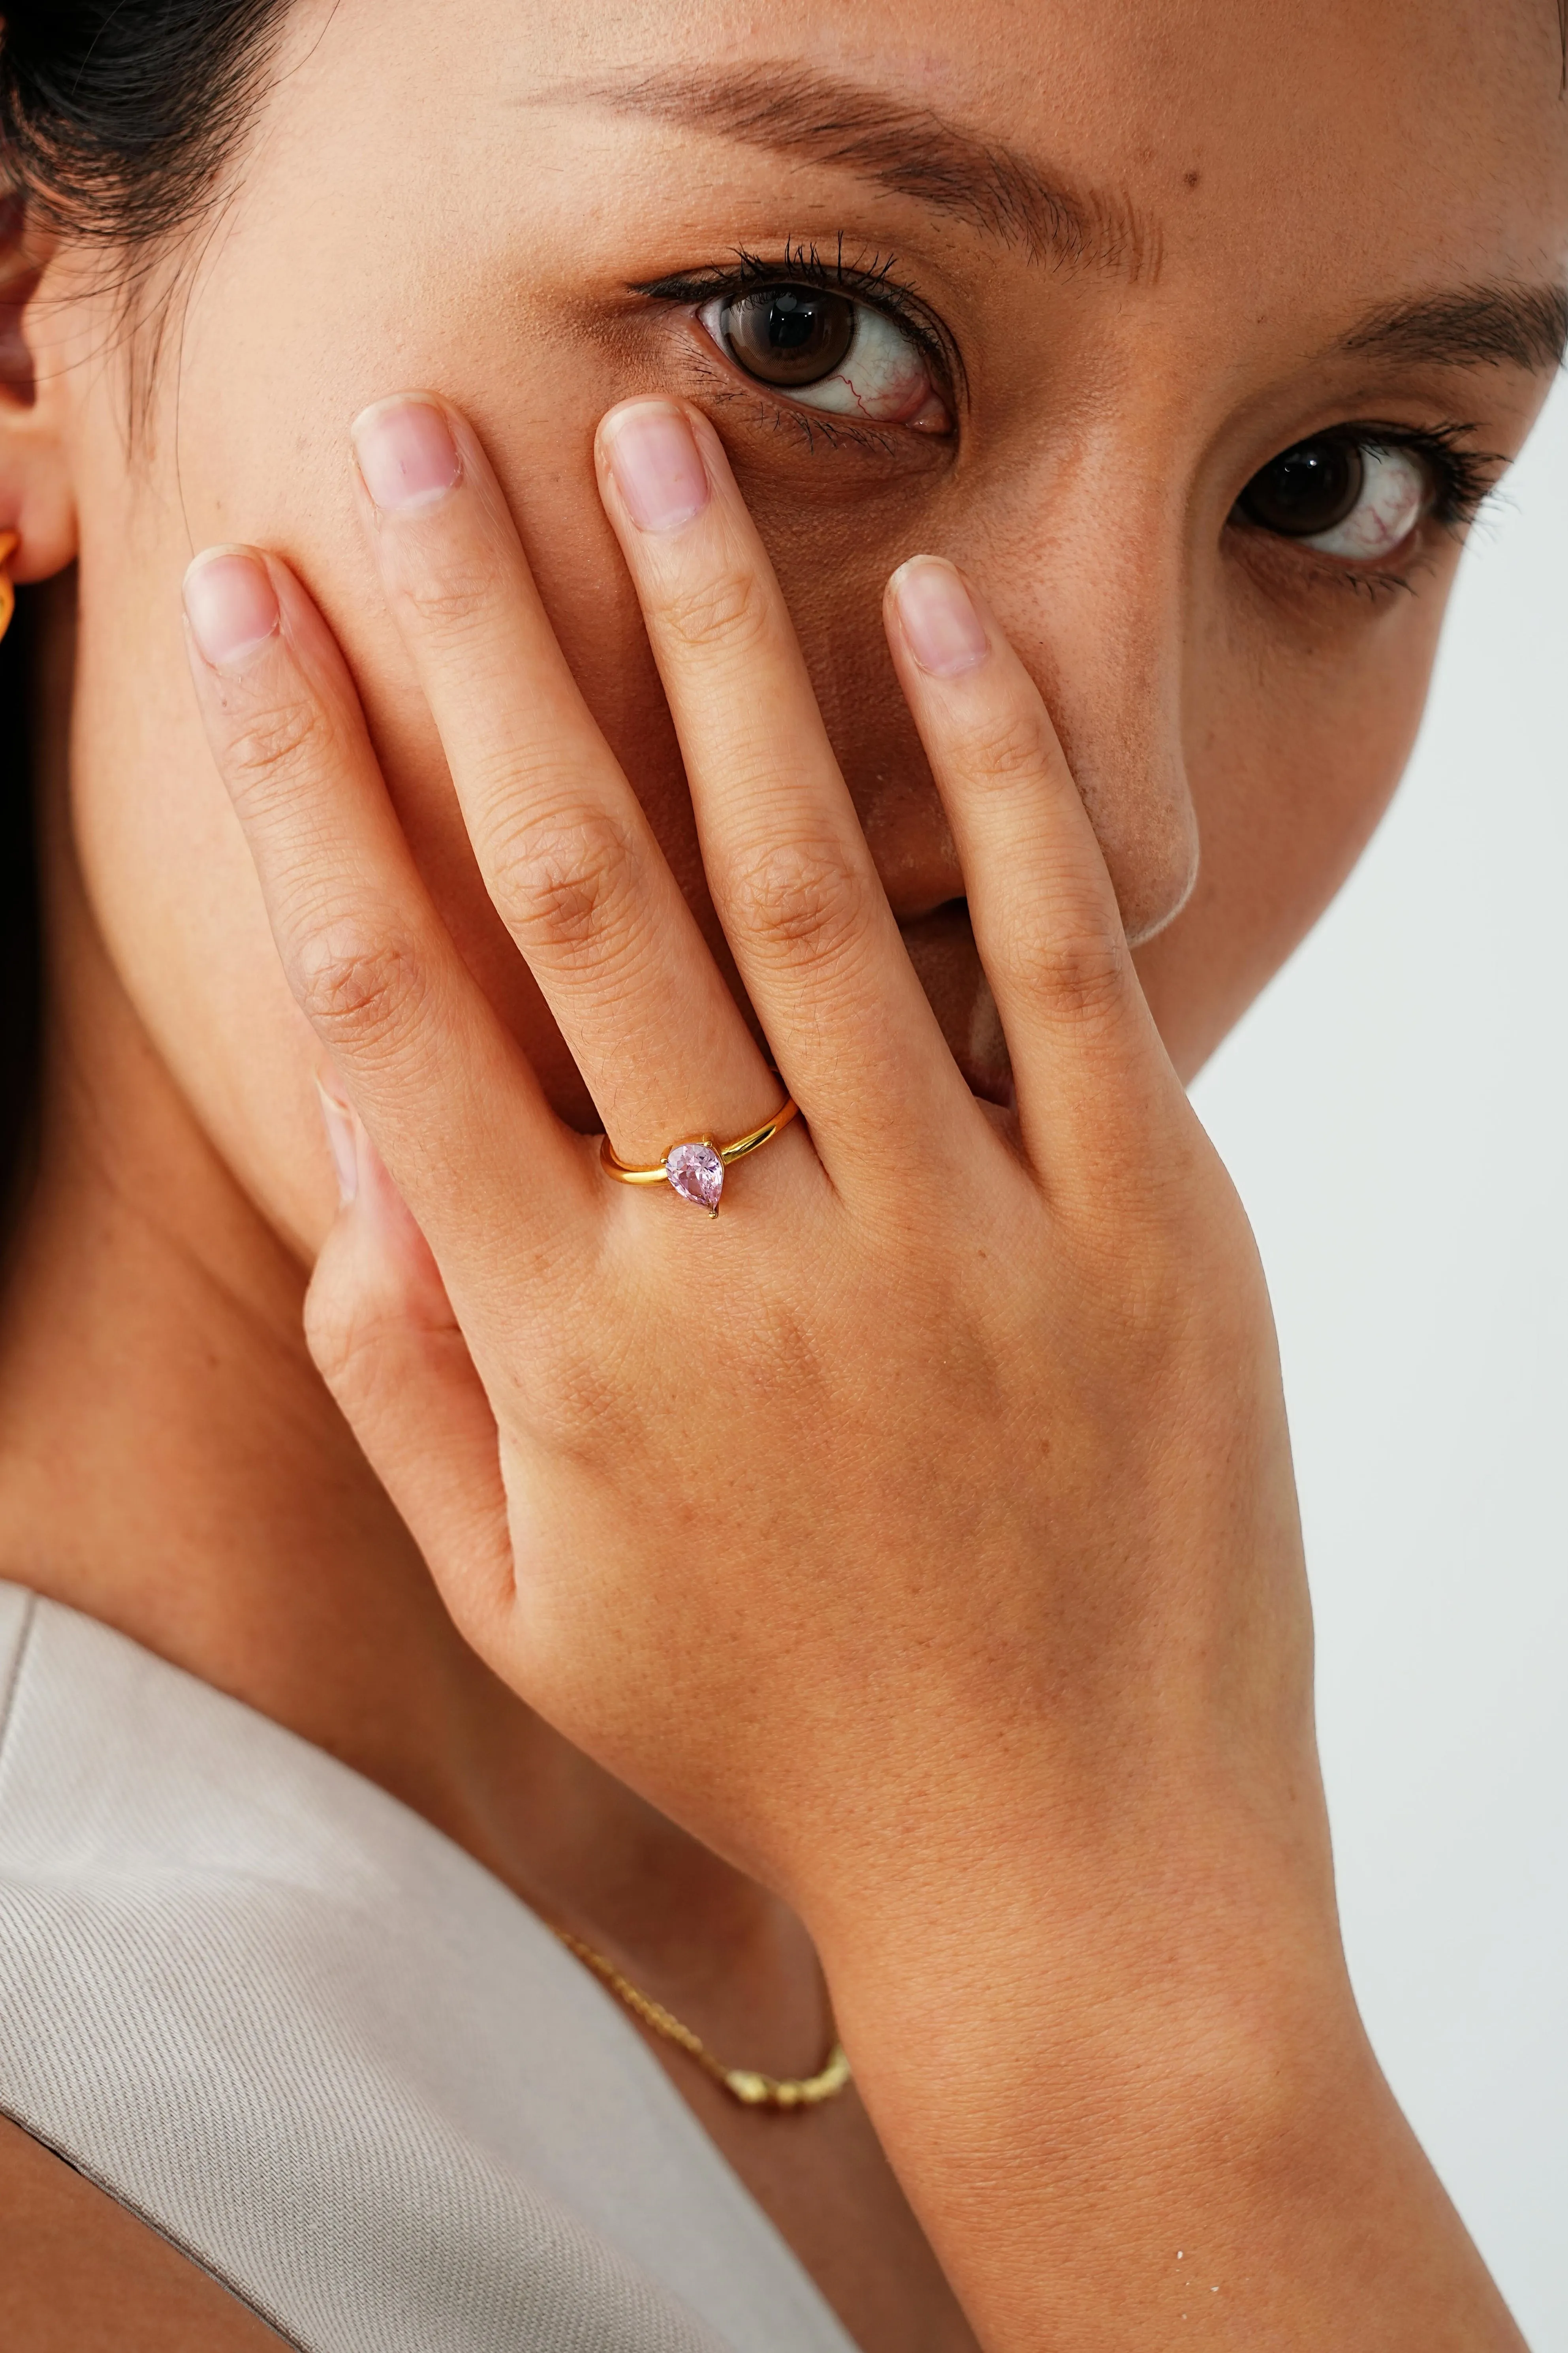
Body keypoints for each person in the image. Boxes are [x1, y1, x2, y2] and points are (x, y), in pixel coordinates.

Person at [0, 0, 1561, 2346]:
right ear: (26, 307)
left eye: (1346, 482)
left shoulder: (999, 1783)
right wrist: (1148, 2040)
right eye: (802, 338)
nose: (1130, 828)